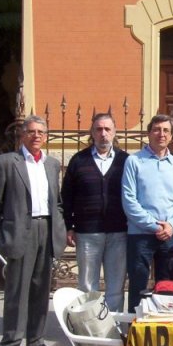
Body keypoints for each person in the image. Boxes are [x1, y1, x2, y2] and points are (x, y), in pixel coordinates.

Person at [0, 115, 66, 346]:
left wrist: (59, 228)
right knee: (17, 290)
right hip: (21, 230)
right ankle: (10, 344)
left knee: (42, 289)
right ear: (22, 134)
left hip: (46, 228)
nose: (36, 136)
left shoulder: (52, 165)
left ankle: (35, 340)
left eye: (41, 131)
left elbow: (58, 202)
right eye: (31, 131)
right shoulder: (7, 162)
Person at [61, 113, 128, 312]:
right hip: (87, 233)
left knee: (115, 286)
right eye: (98, 129)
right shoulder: (78, 160)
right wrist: (68, 226)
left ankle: (112, 327)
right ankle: (88, 326)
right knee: (87, 286)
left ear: (115, 132)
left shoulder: (126, 161)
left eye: (107, 129)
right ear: (92, 132)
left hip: (118, 232)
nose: (103, 134)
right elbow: (67, 196)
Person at [122, 114, 173, 312]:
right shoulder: (134, 161)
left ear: (171, 135)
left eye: (166, 130)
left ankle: (163, 327)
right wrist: (154, 225)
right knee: (138, 287)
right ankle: (135, 329)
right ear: (149, 133)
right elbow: (129, 200)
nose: (161, 134)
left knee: (166, 287)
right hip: (140, 235)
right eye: (157, 130)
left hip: (169, 235)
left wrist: (172, 225)